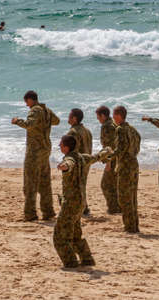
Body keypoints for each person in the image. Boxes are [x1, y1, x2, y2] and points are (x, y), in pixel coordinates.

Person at [54, 135, 113, 268]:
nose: (59, 147)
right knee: (75, 233)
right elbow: (96, 157)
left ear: (67, 147)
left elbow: (69, 163)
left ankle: (70, 262)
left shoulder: (70, 158)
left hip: (70, 203)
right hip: (81, 202)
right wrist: (107, 151)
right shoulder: (82, 157)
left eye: (61, 145)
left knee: (60, 236)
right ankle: (87, 259)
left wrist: (64, 166)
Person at [12, 90, 60, 221]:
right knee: (45, 182)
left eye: (26, 102)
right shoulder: (47, 110)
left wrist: (17, 121)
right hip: (45, 150)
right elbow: (57, 121)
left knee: (30, 182)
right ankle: (48, 211)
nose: (27, 105)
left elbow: (29, 124)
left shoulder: (34, 110)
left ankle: (30, 214)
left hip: (34, 151)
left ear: (30, 100)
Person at [110, 106, 140, 233]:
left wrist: (109, 155)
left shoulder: (121, 129)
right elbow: (137, 144)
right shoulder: (132, 129)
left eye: (114, 115)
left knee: (124, 197)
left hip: (125, 166)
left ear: (118, 115)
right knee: (132, 196)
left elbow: (120, 148)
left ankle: (130, 226)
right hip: (134, 163)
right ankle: (134, 225)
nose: (113, 118)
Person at [66, 108, 93, 215]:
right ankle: (84, 208)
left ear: (74, 119)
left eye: (69, 116)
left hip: (77, 163)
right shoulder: (87, 131)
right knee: (82, 185)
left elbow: (71, 151)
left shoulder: (73, 132)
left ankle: (81, 208)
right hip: (87, 162)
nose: (68, 118)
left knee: (75, 186)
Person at [96, 106, 121, 214]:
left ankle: (113, 208)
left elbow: (109, 146)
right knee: (114, 184)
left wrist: (108, 163)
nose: (98, 120)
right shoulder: (113, 124)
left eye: (98, 117)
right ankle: (118, 206)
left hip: (113, 159)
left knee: (105, 184)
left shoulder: (107, 126)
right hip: (118, 158)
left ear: (103, 115)